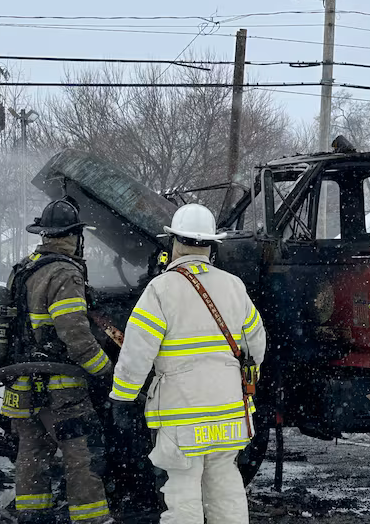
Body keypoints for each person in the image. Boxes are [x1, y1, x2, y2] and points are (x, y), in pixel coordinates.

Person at [109, 203, 266, 524]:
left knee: (182, 492)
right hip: (230, 414)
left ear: (174, 243)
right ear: (211, 246)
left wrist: (122, 398)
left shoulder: (160, 289)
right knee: (225, 484)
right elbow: (257, 344)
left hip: (183, 418)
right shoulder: (234, 286)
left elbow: (137, 352)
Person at [0, 199, 115, 524]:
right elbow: (75, 336)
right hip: (60, 389)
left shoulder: (23, 267)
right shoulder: (64, 273)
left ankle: (33, 516)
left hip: (22, 385)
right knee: (82, 456)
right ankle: (91, 519)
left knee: (32, 453)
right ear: (74, 236)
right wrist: (105, 373)